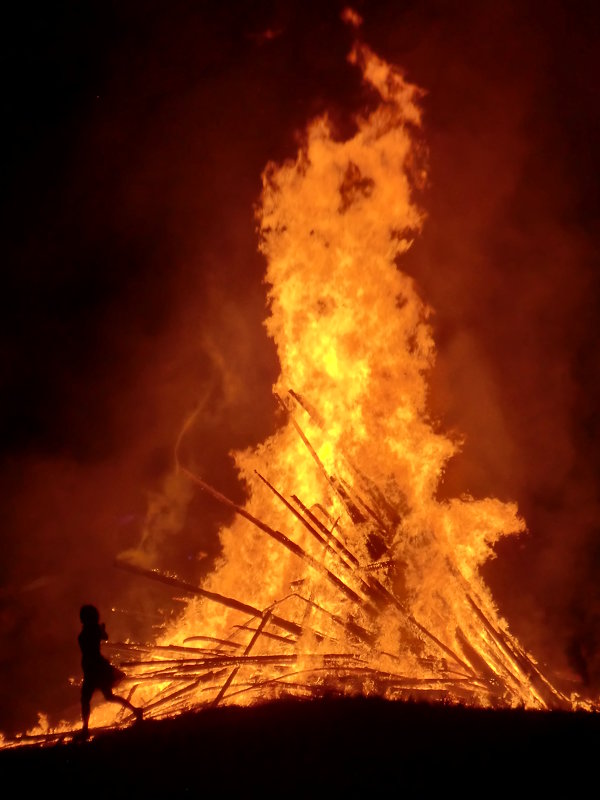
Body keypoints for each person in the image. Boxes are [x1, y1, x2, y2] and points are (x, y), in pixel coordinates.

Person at [78, 604, 143, 737]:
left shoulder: (89, 631)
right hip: (96, 667)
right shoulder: (93, 630)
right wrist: (101, 629)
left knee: (87, 699)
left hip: (94, 668)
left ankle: (85, 730)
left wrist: (100, 630)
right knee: (107, 696)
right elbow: (104, 636)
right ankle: (136, 711)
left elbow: (98, 640)